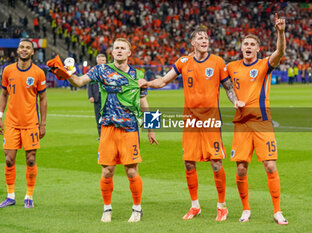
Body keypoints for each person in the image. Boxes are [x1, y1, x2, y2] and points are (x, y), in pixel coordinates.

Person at [138, 25, 244, 221]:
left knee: (215, 162)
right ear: (193, 42)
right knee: (188, 163)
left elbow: (228, 88)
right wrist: (148, 83)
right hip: (190, 121)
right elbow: (163, 81)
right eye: (200, 38)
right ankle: (195, 205)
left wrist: (235, 101)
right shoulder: (183, 62)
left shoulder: (218, 62)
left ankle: (222, 206)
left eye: (206, 38)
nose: (204, 41)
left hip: (211, 120)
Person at [47, 38, 157, 223]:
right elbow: (79, 81)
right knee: (107, 171)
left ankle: (137, 209)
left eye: (123, 48)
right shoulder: (101, 70)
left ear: (130, 52)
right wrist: (65, 74)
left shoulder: (138, 75)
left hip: (129, 128)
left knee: (132, 171)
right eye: (116, 48)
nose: (119, 50)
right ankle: (107, 209)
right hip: (107, 127)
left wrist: (151, 129)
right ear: (112, 53)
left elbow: (144, 102)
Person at [226, 13, 288, 225]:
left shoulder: (264, 64)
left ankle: (277, 211)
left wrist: (280, 32)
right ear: (241, 48)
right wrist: (234, 99)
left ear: (258, 48)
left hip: (262, 122)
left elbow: (280, 52)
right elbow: (226, 88)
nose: (249, 46)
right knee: (241, 168)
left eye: (252, 44)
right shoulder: (231, 67)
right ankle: (245, 209)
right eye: (246, 44)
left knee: (270, 166)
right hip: (242, 124)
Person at [0, 39, 47, 208]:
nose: (24, 50)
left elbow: (42, 98)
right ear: (17, 50)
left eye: (28, 47)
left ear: (33, 52)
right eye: (22, 47)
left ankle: (29, 196)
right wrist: (0, 115)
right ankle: (10, 196)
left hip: (30, 123)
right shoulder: (8, 70)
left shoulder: (38, 73)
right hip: (11, 122)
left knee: (31, 159)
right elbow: (3, 93)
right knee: (9, 159)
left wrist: (43, 123)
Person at [87, 54, 106, 139]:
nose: (103, 62)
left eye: (104, 60)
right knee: (98, 117)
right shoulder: (93, 71)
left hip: (107, 97)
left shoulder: (109, 71)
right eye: (101, 60)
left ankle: (108, 135)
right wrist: (90, 96)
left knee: (108, 116)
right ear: (97, 61)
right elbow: (90, 85)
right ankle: (100, 135)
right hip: (97, 97)